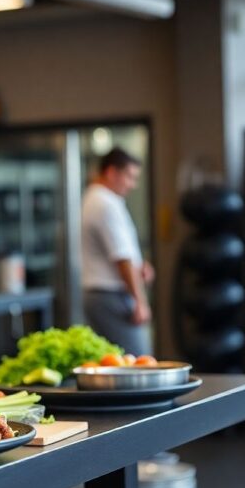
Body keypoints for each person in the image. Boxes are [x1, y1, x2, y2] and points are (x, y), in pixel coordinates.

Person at [80, 147, 154, 356]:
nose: (132, 185)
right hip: (111, 296)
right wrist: (140, 302)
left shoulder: (97, 199)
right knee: (139, 361)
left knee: (115, 361)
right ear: (112, 172)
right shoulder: (104, 203)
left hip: (103, 296)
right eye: (129, 177)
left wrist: (138, 267)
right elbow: (122, 258)